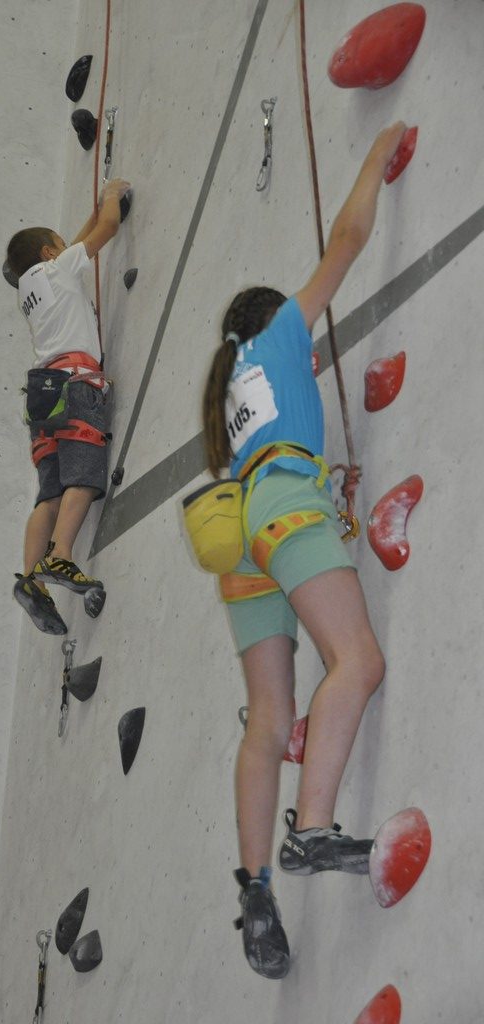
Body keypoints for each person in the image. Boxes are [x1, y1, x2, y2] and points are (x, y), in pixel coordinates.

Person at [201, 123, 406, 978]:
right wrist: (376, 158)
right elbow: (347, 240)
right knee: (357, 661)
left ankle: (255, 890)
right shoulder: (280, 333)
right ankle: (311, 832)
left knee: (268, 722)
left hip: (246, 535)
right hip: (285, 509)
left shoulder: (235, 393)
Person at [6, 177, 131, 634]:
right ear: (48, 254)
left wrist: (90, 213)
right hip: (75, 384)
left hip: (42, 394)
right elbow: (107, 230)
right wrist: (111, 199)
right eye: (59, 245)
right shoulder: (58, 270)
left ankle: (32, 579)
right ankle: (60, 556)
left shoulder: (30, 288)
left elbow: (75, 245)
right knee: (84, 474)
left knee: (51, 493)